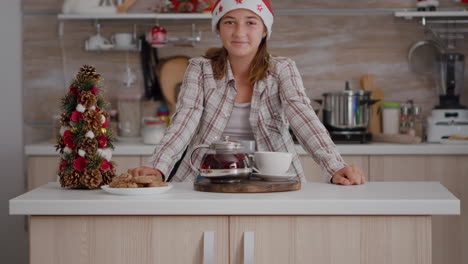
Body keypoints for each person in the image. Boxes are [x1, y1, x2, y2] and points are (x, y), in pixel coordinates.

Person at [129, 0, 365, 185]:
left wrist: (335, 166)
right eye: (229, 22)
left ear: (264, 30)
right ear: (219, 29)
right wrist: (157, 167)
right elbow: (184, 122)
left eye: (251, 22)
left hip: (274, 179)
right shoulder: (199, 69)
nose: (239, 32)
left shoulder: (282, 68)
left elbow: (303, 117)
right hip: (207, 178)